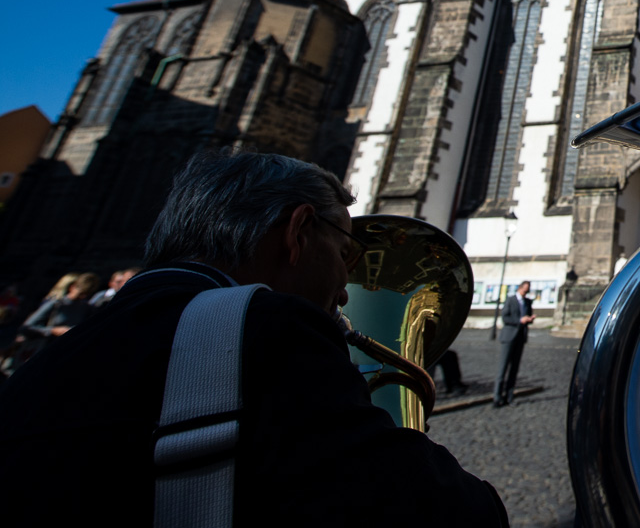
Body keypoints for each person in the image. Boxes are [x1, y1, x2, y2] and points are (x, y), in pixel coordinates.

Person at [0, 149, 507, 525]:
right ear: (298, 231)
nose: (347, 292)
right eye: (345, 254)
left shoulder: (60, 353)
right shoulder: (268, 331)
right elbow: (446, 513)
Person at [493, 279, 533, 407]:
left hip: (520, 337)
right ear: (520, 288)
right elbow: (505, 317)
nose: (526, 292)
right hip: (509, 336)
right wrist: (520, 320)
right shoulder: (511, 300)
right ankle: (497, 397)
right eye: (524, 290)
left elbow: (527, 317)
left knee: (514, 370)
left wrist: (529, 319)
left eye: (528, 290)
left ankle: (509, 397)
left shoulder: (527, 302)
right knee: (502, 368)